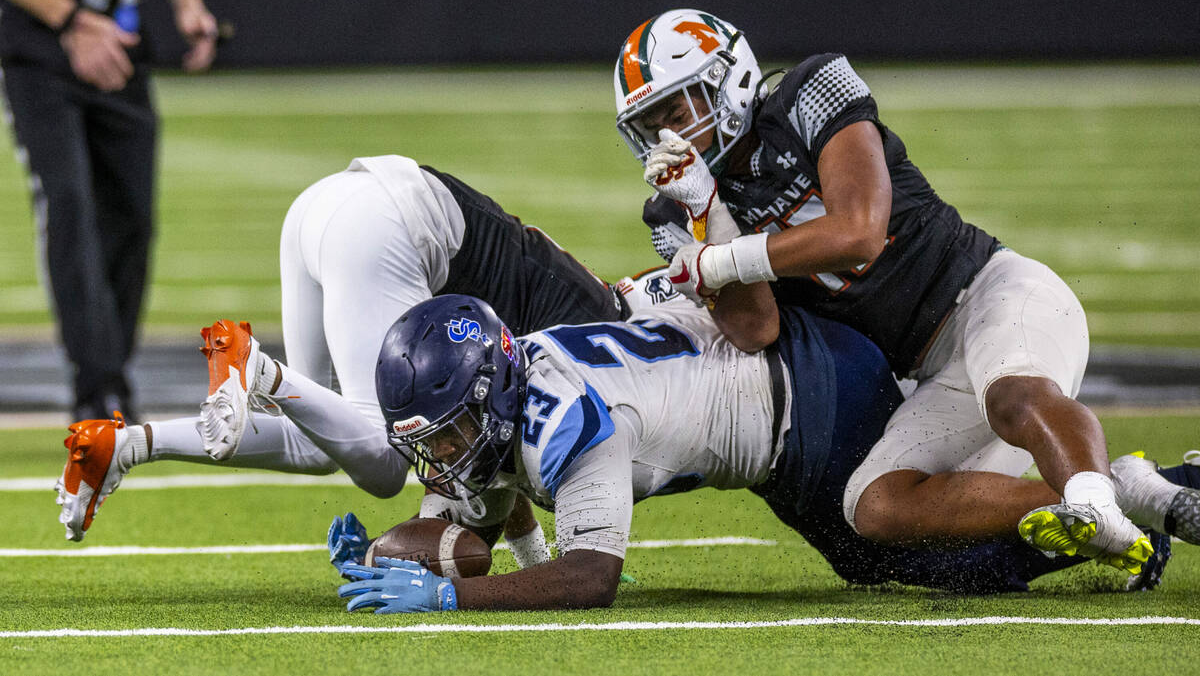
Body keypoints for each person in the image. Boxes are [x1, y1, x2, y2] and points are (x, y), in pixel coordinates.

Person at [609, 9, 1199, 572]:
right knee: (876, 506)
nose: (666, 134)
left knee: (1013, 398)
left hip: (991, 295)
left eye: (676, 110)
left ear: (729, 81)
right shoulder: (671, 213)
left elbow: (859, 231)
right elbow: (755, 327)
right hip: (930, 370)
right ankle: (1122, 494)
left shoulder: (809, 92)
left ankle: (1094, 496)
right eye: (648, 124)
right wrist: (705, 209)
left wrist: (722, 260)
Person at [327, 288, 1198, 613]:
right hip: (776, 387)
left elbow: (590, 577)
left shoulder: (567, 415)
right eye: (428, 439)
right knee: (897, 540)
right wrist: (403, 543)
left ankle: (1128, 496)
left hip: (804, 400)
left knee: (904, 545)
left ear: (494, 391)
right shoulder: (518, 384)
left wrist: (452, 597)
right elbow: (491, 498)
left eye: (448, 430)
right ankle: (1094, 496)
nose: (441, 454)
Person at [53, 156, 631, 575]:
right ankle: (256, 367)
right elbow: (501, 447)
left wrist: (535, 557)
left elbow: (494, 454)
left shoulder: (575, 318)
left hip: (324, 208)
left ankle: (126, 444)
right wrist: (541, 561)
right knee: (384, 461)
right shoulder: (587, 345)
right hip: (382, 225)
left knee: (319, 440)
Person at [0, 0, 218, 421]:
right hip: (39, 49)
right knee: (69, 210)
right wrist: (71, 22)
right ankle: (98, 389)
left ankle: (111, 375)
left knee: (133, 219)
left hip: (120, 43)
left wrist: (188, 7)